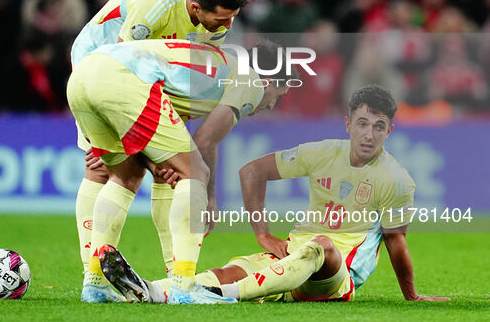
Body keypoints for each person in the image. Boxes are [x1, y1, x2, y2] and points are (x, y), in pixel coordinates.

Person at [98, 85, 450, 304]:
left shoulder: (397, 180)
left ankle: (222, 299)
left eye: (378, 126)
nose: (369, 134)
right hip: (290, 260)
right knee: (227, 269)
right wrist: (263, 233)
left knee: (322, 245)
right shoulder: (324, 152)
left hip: (334, 277)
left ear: (390, 130)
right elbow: (253, 171)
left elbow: (396, 242)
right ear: (347, 124)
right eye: (362, 123)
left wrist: (412, 294)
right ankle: (153, 290)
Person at [67, 38, 292, 303]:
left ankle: (96, 284)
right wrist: (208, 197)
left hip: (85, 74)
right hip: (123, 81)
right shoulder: (251, 81)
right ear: (268, 82)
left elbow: (181, 138)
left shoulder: (209, 71)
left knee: (124, 177)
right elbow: (205, 141)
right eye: (279, 95)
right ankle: (184, 287)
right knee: (196, 173)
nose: (271, 106)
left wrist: (161, 164)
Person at [70, 0, 247, 281]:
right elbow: (122, 63)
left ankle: (166, 271)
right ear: (195, 8)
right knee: (103, 167)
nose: (228, 26)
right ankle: (94, 272)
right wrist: (147, 154)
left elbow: (190, 79)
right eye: (223, 19)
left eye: (232, 17)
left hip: (151, 76)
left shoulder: (216, 23)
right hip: (98, 64)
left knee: (172, 170)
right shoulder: (156, 1)